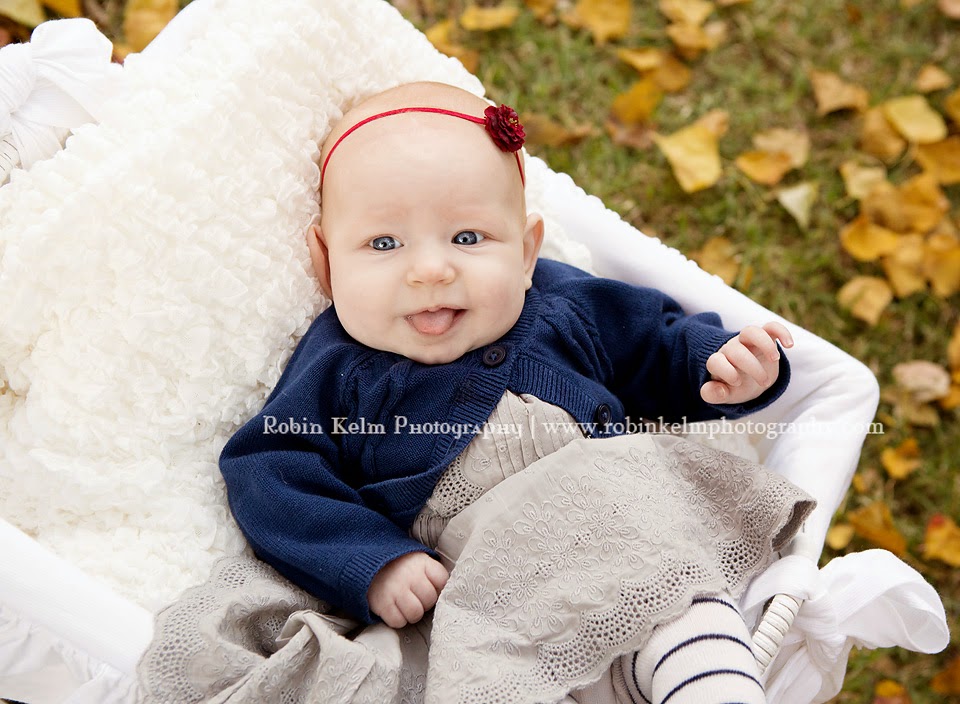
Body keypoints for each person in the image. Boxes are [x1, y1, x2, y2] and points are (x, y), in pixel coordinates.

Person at [219, 81, 811, 704]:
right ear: (326, 262)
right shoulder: (339, 364)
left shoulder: (562, 305)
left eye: (467, 238)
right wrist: (372, 561)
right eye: (384, 244)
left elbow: (652, 347)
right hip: (486, 601)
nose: (431, 270)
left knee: (681, 599)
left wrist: (721, 365)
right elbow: (272, 469)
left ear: (527, 252)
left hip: (623, 531)